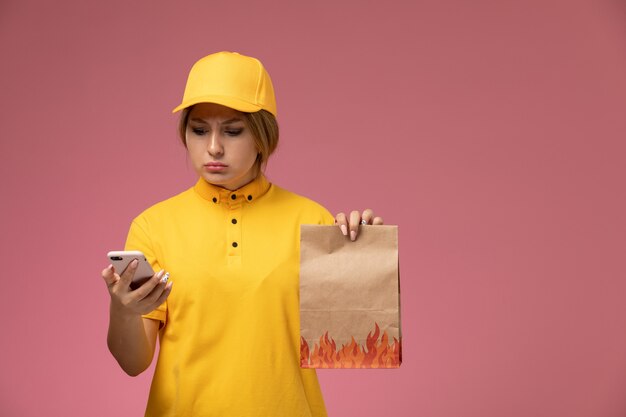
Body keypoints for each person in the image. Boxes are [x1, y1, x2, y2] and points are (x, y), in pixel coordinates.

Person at [101, 51, 383, 417]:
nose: (214, 147)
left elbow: (355, 344)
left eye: (233, 131)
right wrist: (122, 311)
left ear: (263, 137)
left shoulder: (313, 220)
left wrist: (367, 257)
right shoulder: (153, 226)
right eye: (199, 130)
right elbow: (133, 363)